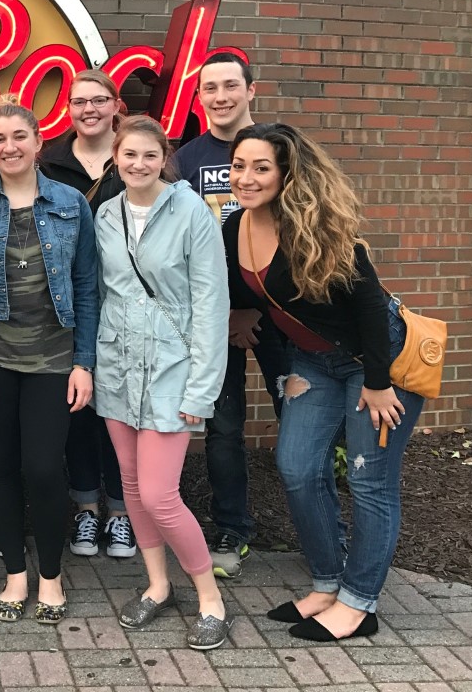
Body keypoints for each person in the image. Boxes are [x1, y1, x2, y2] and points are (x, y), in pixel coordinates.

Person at [225, 123, 419, 642]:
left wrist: (378, 383)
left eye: (260, 167)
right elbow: (243, 288)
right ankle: (328, 584)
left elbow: (372, 310)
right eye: (239, 165)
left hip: (375, 363)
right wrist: (244, 316)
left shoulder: (318, 226)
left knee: (369, 479)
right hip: (312, 364)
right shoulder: (235, 225)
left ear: (287, 175)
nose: (246, 177)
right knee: (296, 466)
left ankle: (359, 603)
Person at [0, 96, 97, 623]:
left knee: (43, 468)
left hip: (54, 358)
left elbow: (86, 285)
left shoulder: (72, 203)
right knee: (1, 466)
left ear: (37, 143)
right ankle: (14, 574)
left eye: (19, 137)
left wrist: (85, 362)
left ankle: (50, 577)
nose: (9, 147)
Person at [94, 115, 232, 652]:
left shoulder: (192, 211)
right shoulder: (105, 214)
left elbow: (211, 304)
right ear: (116, 156)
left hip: (174, 369)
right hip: (118, 365)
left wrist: (202, 389)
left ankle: (210, 598)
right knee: (131, 490)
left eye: (149, 156)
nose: (138, 164)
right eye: (129, 155)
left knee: (160, 493)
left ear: (163, 157)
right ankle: (157, 585)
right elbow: (103, 293)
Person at [175, 52, 290, 578]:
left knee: (299, 416)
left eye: (229, 86)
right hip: (215, 319)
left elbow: (296, 236)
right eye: (208, 88)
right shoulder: (185, 159)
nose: (219, 97)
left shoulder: (280, 150)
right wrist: (227, 312)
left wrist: (255, 310)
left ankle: (312, 521)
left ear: (250, 90)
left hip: (278, 315)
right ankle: (232, 526)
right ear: (197, 97)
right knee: (222, 427)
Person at [40, 69, 134, 560]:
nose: (89, 109)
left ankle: (121, 513)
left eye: (99, 100)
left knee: (118, 409)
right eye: (79, 102)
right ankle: (84, 508)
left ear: (116, 104)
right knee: (78, 408)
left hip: (126, 306)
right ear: (68, 108)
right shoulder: (50, 161)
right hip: (68, 306)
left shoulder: (136, 156)